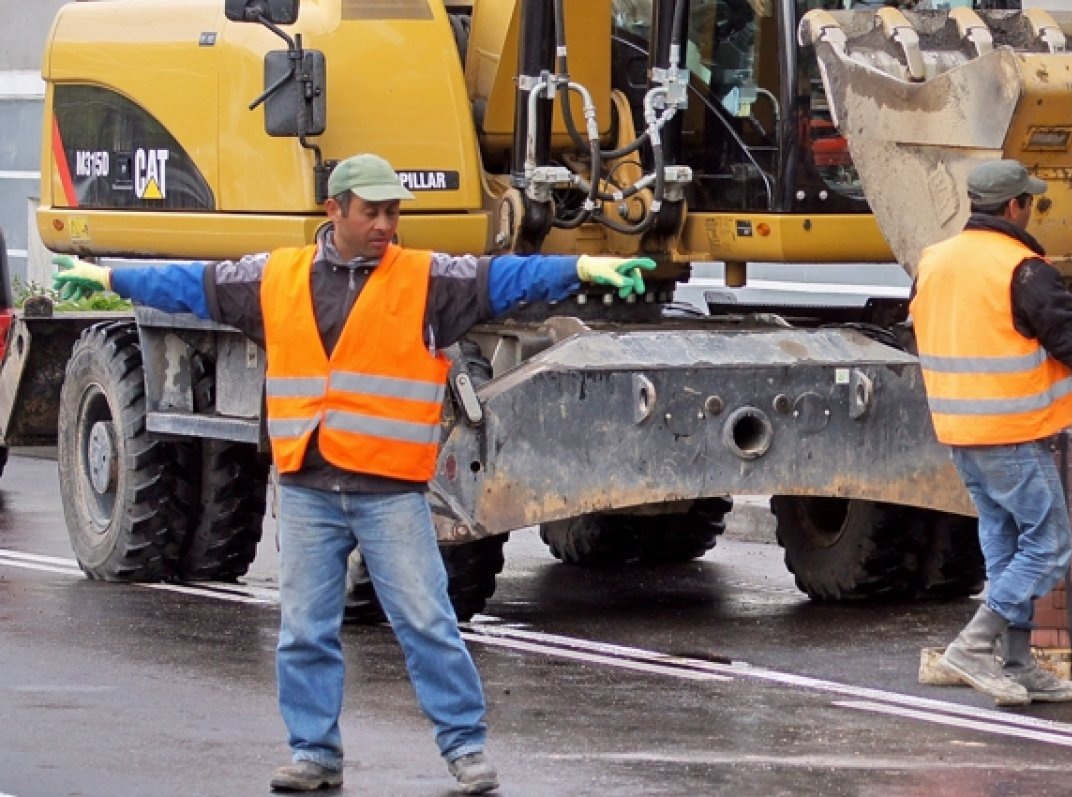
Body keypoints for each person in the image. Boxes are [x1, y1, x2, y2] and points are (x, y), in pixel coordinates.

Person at [53, 153, 655, 793]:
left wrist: (582, 267)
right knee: (305, 630)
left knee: (427, 624)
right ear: (334, 210)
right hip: (309, 487)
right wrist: (111, 278)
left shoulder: (427, 279)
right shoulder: (276, 277)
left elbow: (505, 277)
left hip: (389, 494)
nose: (385, 224)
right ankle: (314, 753)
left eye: (393, 212)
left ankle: (466, 748)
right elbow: (191, 284)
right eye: (372, 211)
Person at [909, 159, 1072, 707]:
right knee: (1048, 545)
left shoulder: (935, 261)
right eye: (1031, 201)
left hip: (960, 432)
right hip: (1011, 434)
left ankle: (1018, 664)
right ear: (1015, 207)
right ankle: (973, 647)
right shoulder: (1021, 269)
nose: (1033, 209)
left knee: (1005, 548)